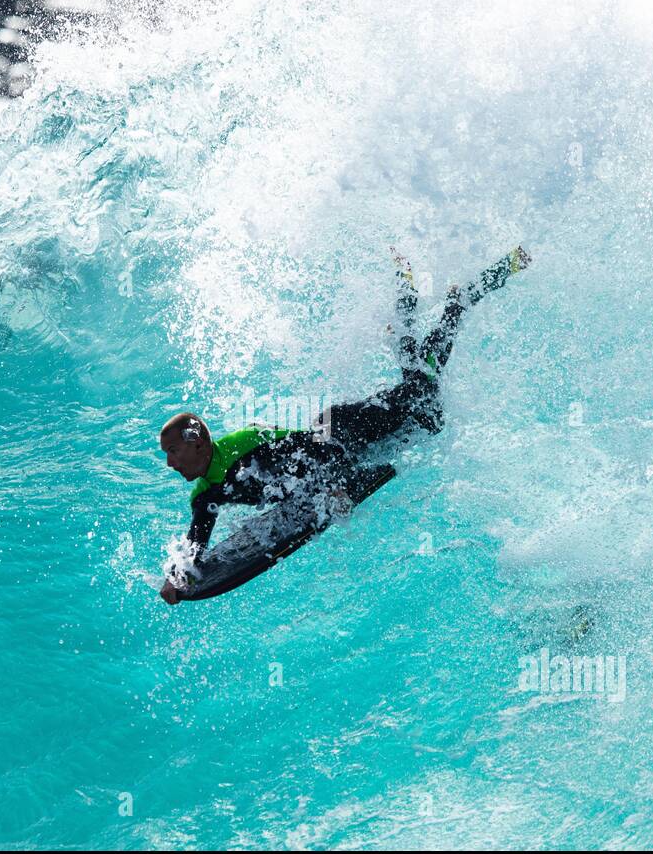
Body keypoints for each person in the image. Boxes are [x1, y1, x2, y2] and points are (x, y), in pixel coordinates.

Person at [158, 246, 531, 603]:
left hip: (343, 429)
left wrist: (334, 485)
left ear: (198, 442)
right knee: (419, 383)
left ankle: (462, 294)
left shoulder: (242, 444)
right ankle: (408, 293)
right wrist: (176, 579)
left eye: (173, 451)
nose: (171, 463)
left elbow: (313, 450)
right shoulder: (205, 496)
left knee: (424, 396)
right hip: (346, 446)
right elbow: (195, 543)